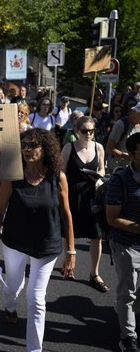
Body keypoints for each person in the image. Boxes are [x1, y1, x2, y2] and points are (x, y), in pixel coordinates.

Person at [0, 128, 76, 352]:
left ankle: (34, 349)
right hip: (15, 241)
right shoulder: (12, 176)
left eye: (33, 145)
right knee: (12, 287)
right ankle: (10, 307)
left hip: (47, 245)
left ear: (45, 149)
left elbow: (66, 214)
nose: (27, 149)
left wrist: (71, 252)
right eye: (24, 144)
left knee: (36, 299)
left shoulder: (58, 178)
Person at [61, 116, 108, 291]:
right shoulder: (69, 147)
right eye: (84, 131)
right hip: (72, 195)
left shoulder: (99, 147)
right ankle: (68, 264)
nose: (88, 134)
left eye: (91, 131)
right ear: (76, 131)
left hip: (93, 195)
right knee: (69, 233)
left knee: (96, 236)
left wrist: (99, 175)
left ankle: (94, 273)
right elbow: (60, 170)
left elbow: (102, 167)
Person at [106, 133, 140, 352]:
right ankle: (128, 337)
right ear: (131, 155)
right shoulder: (120, 180)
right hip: (128, 246)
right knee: (128, 292)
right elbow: (112, 218)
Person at [106, 102, 140, 174]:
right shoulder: (121, 124)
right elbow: (109, 149)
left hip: (134, 170)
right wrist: (128, 156)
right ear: (133, 111)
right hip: (119, 169)